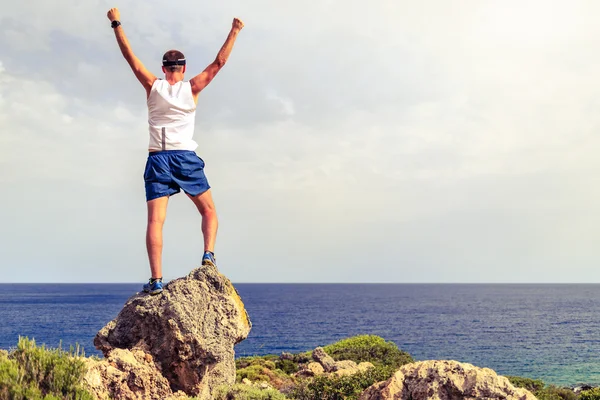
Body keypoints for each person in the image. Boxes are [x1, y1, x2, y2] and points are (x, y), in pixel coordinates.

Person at [107, 7, 244, 295]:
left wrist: (116, 22)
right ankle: (208, 256)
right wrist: (234, 30)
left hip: (158, 158)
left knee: (156, 221)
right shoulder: (192, 87)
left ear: (163, 68)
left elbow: (129, 56)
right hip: (184, 157)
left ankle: (156, 281)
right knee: (208, 211)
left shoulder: (152, 86)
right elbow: (219, 62)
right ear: (182, 68)